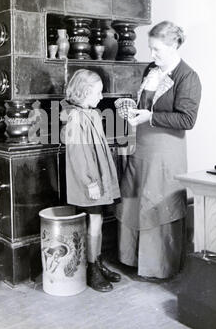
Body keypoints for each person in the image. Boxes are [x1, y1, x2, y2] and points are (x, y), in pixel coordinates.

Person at [117, 21, 202, 280]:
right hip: (142, 146)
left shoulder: (188, 77)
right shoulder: (150, 70)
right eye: (150, 48)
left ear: (174, 45)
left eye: (157, 50)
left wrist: (149, 117)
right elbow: (147, 105)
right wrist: (133, 112)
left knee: (157, 201)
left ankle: (158, 266)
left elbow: (187, 120)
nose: (152, 55)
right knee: (133, 198)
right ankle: (130, 258)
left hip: (166, 151)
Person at [60, 69, 121, 292]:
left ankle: (96, 262)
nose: (102, 96)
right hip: (88, 181)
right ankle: (91, 269)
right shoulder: (75, 117)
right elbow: (77, 155)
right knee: (94, 222)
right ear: (85, 92)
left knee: (98, 221)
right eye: (98, 92)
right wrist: (90, 182)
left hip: (98, 177)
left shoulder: (92, 114)